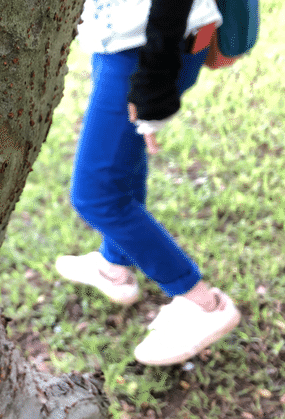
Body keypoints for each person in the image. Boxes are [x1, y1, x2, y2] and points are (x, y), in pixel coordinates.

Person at [55, 0, 241, 366]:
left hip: (148, 47)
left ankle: (204, 304)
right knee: (121, 170)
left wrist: (153, 79)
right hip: (122, 40)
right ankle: (114, 266)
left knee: (97, 196)